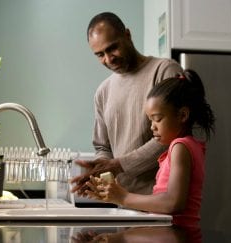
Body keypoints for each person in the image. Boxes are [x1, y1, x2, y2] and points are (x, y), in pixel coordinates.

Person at [70, 12, 183, 196]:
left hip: (160, 201)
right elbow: (102, 147)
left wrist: (119, 165)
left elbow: (174, 134)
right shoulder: (103, 91)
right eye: (100, 55)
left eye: (112, 48)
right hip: (121, 201)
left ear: (127, 35)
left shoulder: (165, 70)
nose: (108, 59)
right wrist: (100, 171)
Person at [85, 69, 215, 228]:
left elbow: (173, 203)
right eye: (150, 120)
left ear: (182, 115)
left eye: (157, 119)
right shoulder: (188, 146)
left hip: (178, 235)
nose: (152, 127)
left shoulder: (180, 147)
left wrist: (123, 197)